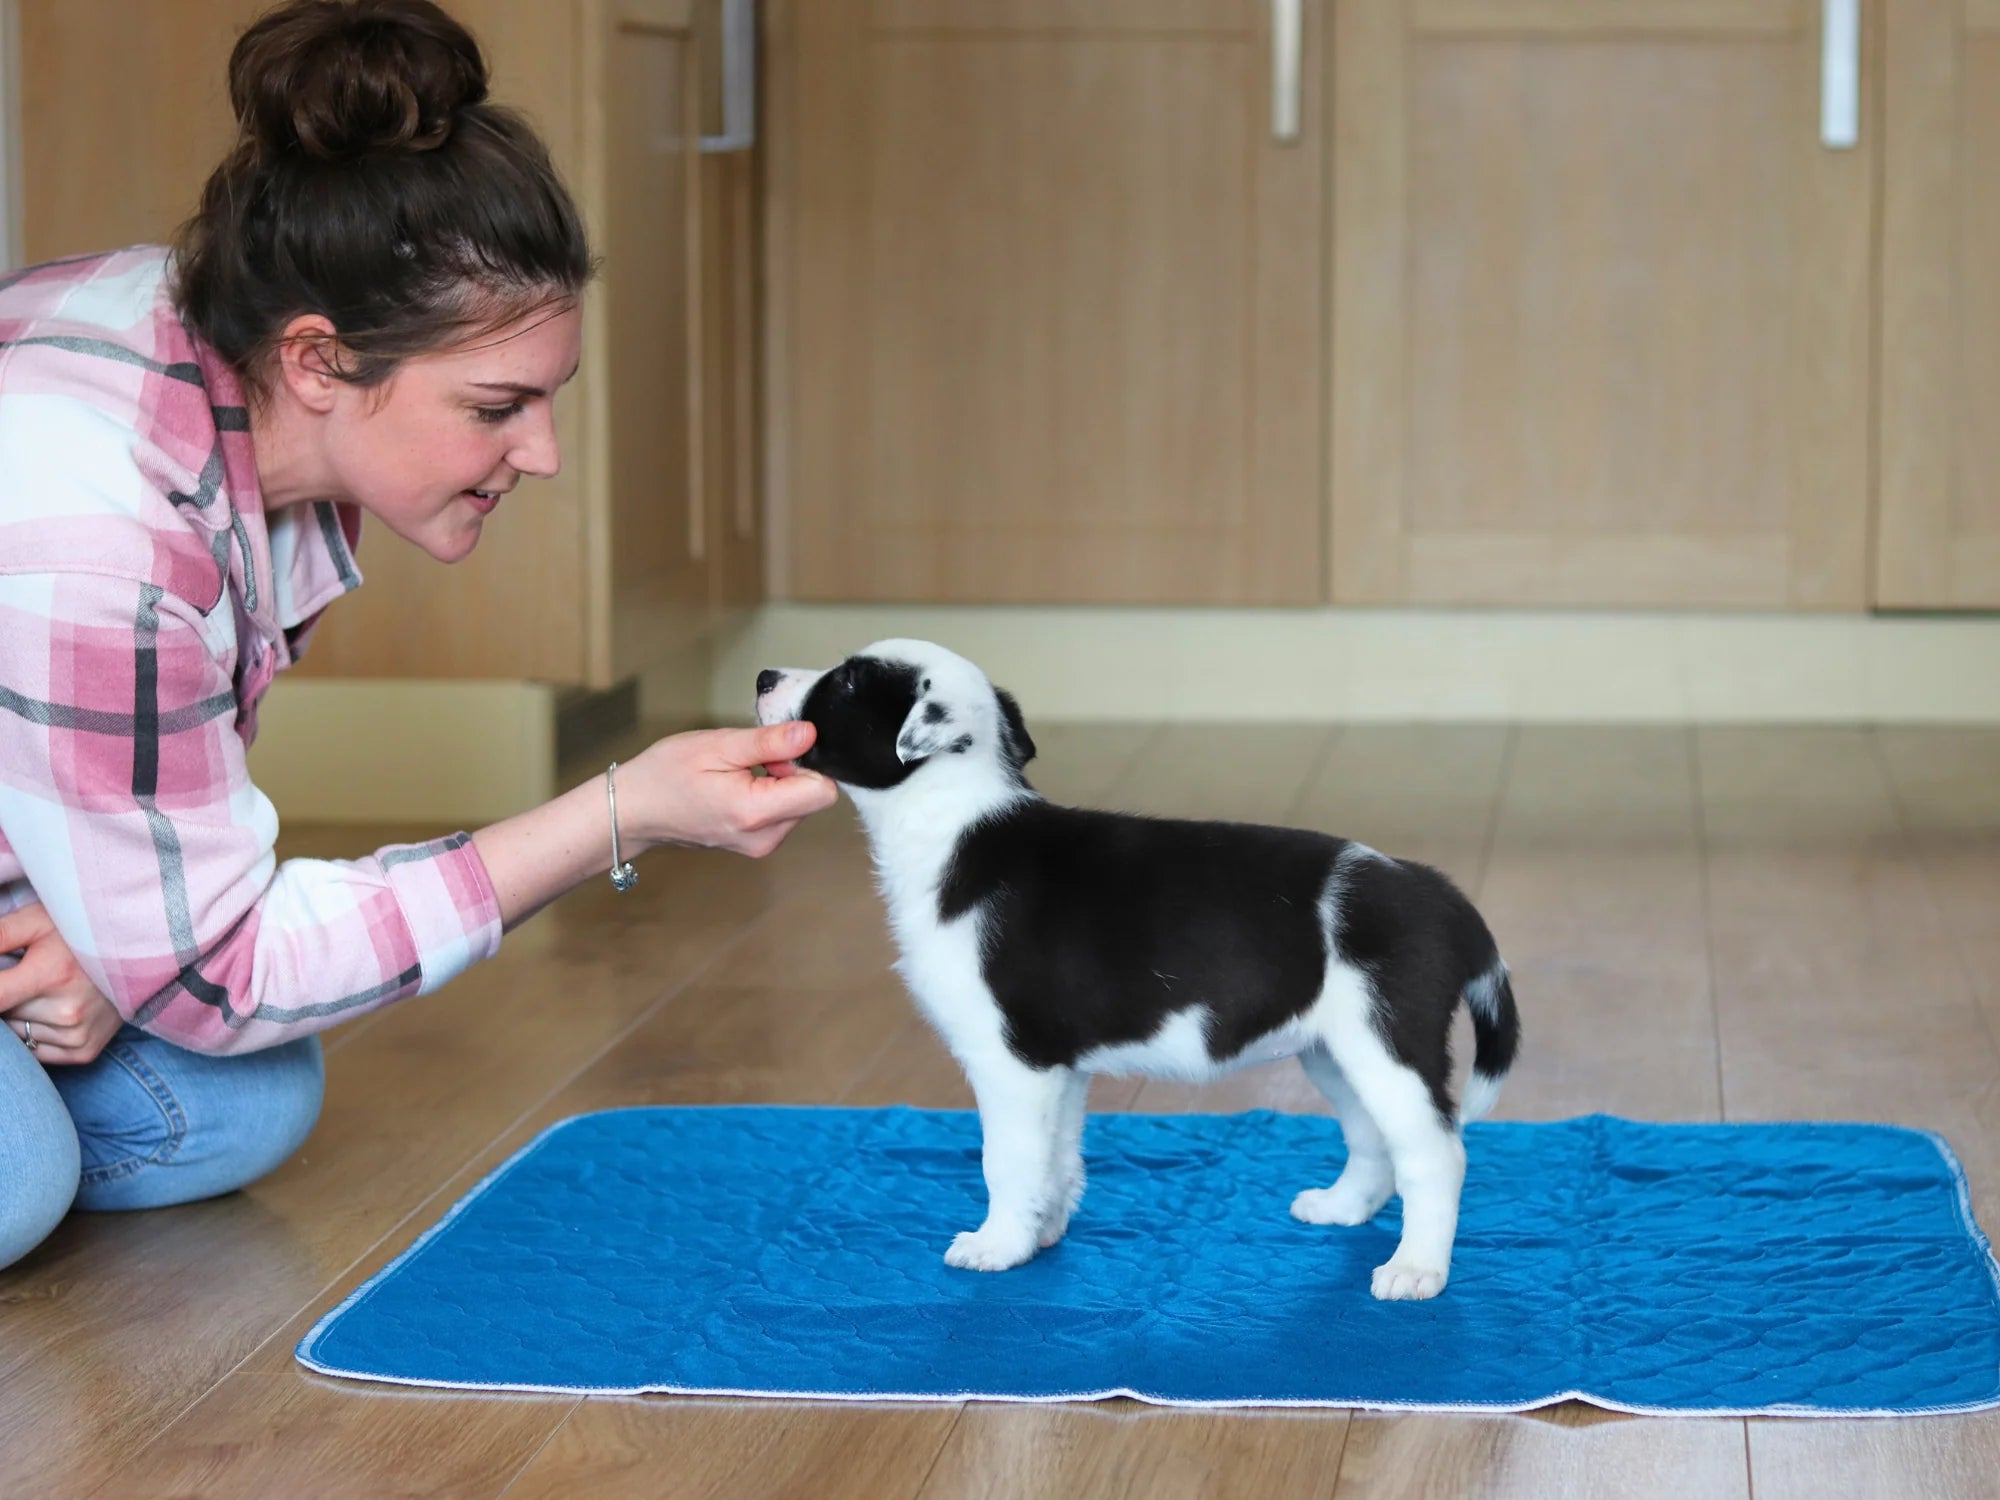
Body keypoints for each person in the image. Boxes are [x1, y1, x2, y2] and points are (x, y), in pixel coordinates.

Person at [0, 0, 835, 1272]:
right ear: (320, 360)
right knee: (28, 1172)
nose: (540, 455)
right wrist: (618, 811)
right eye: (496, 407)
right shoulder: (101, 534)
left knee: (239, 1104)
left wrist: (98, 917)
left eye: (546, 402)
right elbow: (220, 977)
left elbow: (107, 774)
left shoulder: (208, 346)